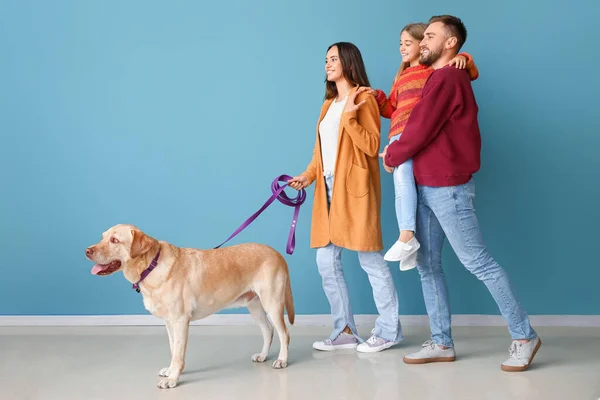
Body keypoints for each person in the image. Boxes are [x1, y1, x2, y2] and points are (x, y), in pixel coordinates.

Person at [381, 15, 541, 371]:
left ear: (450, 43)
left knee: (477, 261)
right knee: (427, 265)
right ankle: (441, 342)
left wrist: (392, 154)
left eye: (430, 37)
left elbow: (420, 128)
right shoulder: (438, 77)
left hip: (447, 187)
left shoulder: (449, 77)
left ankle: (524, 336)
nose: (423, 42)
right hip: (426, 185)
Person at [288, 42, 402, 353]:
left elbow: (370, 145)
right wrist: (307, 176)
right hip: (325, 189)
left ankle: (390, 330)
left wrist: (350, 119)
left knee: (369, 258)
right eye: (326, 59)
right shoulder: (328, 104)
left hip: (353, 189)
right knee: (326, 261)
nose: (327, 64)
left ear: (348, 62)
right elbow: (320, 151)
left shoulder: (363, 98)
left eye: (333, 59)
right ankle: (345, 330)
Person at [364, 23, 479, 270]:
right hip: (397, 137)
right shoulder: (402, 76)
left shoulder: (432, 71)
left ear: (422, 45)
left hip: (412, 136)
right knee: (402, 187)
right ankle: (409, 239)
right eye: (400, 44)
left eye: (408, 43)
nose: (402, 48)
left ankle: (406, 235)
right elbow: (392, 109)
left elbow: (462, 68)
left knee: (404, 179)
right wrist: (378, 98)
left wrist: (464, 58)